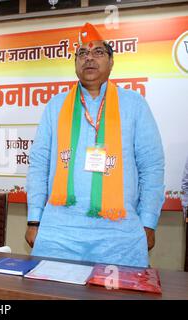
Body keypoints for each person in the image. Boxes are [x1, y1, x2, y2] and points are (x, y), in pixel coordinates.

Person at [25, 23, 165, 268]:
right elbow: (39, 164)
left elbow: (152, 167)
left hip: (119, 233)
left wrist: (148, 222)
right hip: (59, 230)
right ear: (75, 63)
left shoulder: (134, 105)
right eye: (82, 54)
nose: (89, 58)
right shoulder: (56, 106)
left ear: (111, 62)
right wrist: (34, 220)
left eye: (98, 53)